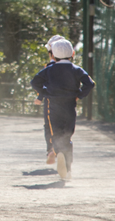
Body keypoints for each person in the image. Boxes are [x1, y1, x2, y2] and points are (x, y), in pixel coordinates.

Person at [31, 40, 95, 180]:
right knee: (67, 136)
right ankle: (68, 168)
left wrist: (45, 93)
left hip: (53, 106)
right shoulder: (76, 69)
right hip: (69, 105)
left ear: (53, 55)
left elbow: (34, 82)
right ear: (72, 54)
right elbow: (89, 84)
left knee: (56, 133)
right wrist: (79, 95)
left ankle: (58, 152)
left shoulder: (49, 69)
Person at [36, 35, 67, 164]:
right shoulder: (70, 67)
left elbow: (43, 84)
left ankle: (51, 150)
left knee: (49, 126)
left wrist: (39, 97)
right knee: (65, 127)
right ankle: (64, 152)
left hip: (50, 101)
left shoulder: (48, 67)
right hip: (67, 101)